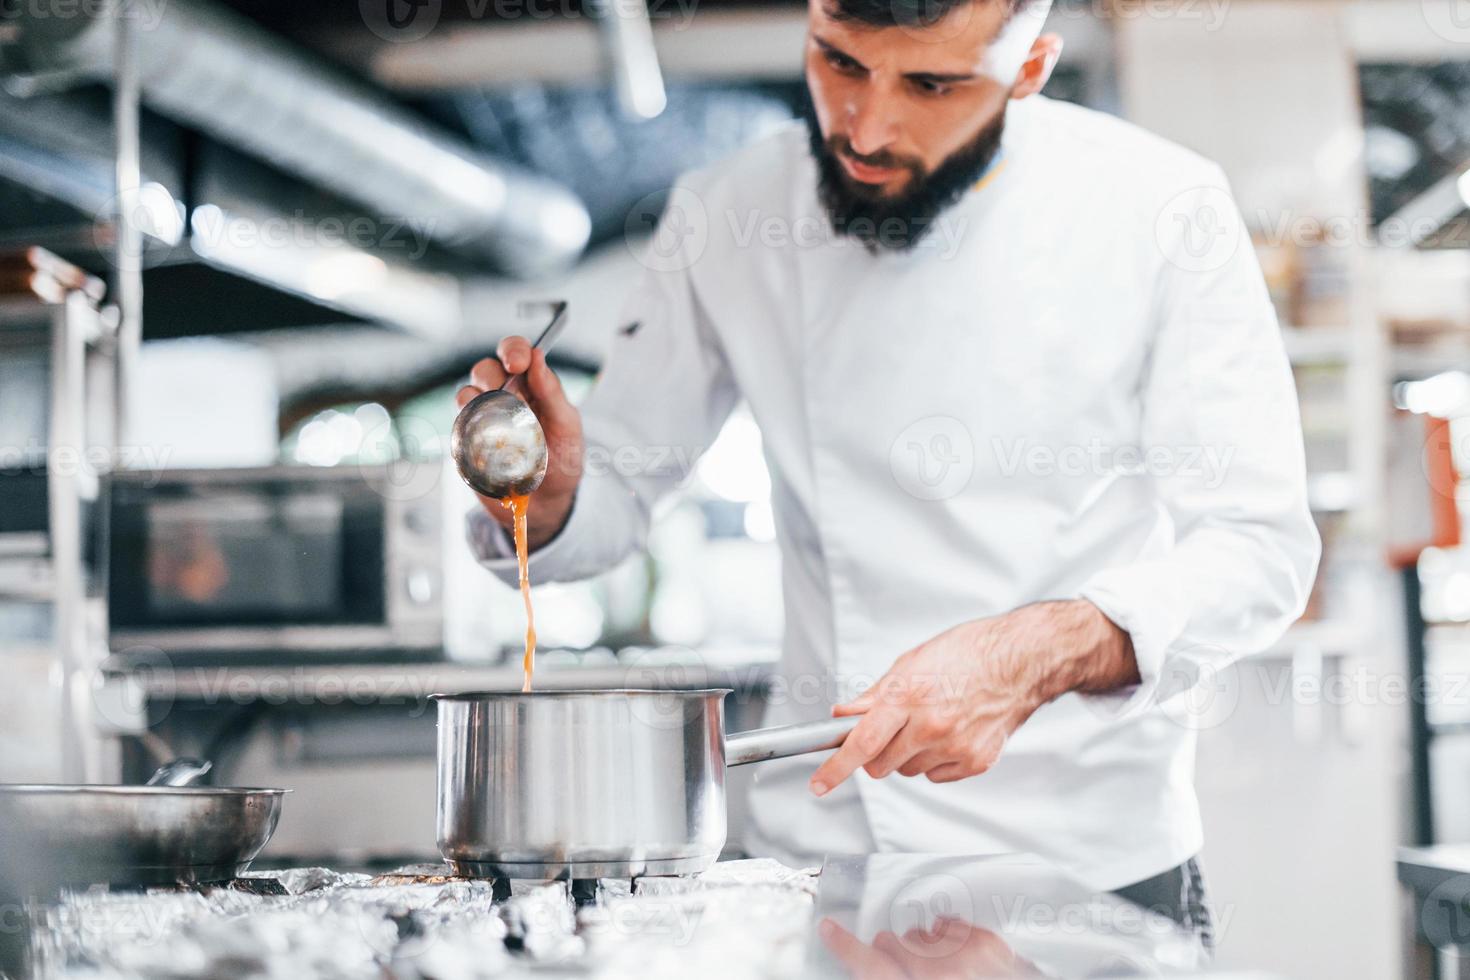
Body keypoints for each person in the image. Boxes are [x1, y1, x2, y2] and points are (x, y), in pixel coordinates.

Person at [460, 0, 1319, 944]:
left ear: (1029, 68)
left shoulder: (1162, 210)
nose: (864, 129)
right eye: (839, 63)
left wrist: (1040, 652)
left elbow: (1259, 547)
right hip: (815, 859)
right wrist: (546, 499)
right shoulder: (728, 213)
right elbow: (616, 488)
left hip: (1088, 859)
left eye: (932, 83)